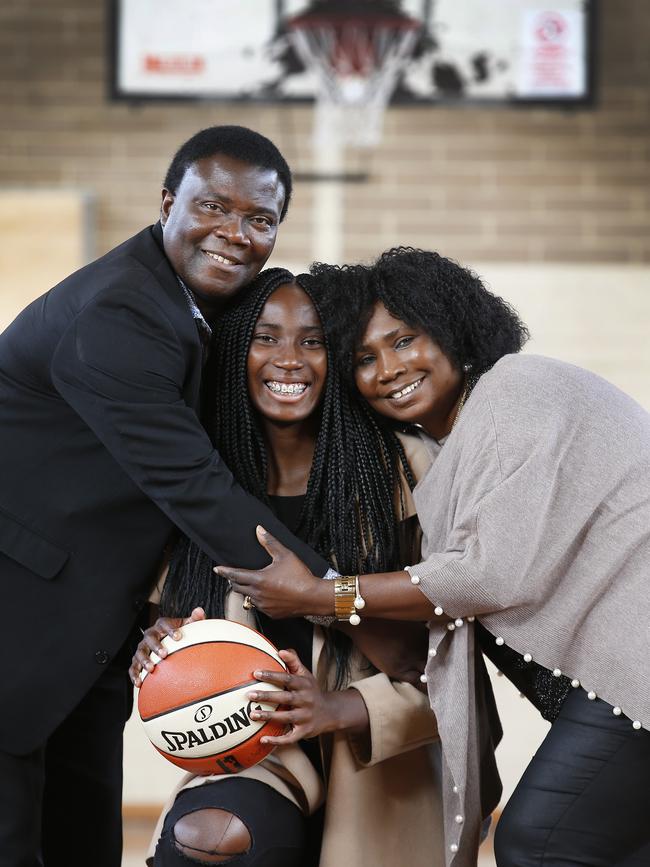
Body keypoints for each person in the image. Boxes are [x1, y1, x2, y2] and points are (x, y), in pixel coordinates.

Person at [218, 247, 650, 867]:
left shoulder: (512, 392)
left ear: (453, 330)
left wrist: (323, 594)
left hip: (634, 671)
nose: (388, 369)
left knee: (540, 839)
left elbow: (486, 574)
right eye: (363, 359)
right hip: (620, 677)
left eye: (404, 341)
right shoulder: (451, 447)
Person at [0, 125, 340, 867]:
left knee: (81, 840)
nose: (235, 234)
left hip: (84, 630)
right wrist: (340, 594)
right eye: (214, 206)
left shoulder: (194, 304)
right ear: (166, 203)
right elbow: (194, 488)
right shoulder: (120, 314)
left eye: (259, 220)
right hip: (18, 616)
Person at [130, 267, 445, 867]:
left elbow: (453, 639)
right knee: (207, 840)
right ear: (233, 352)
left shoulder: (406, 471)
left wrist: (340, 700)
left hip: (378, 754)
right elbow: (166, 625)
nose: (290, 359)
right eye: (265, 337)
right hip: (255, 744)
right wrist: (159, 649)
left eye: (313, 340)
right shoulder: (198, 481)